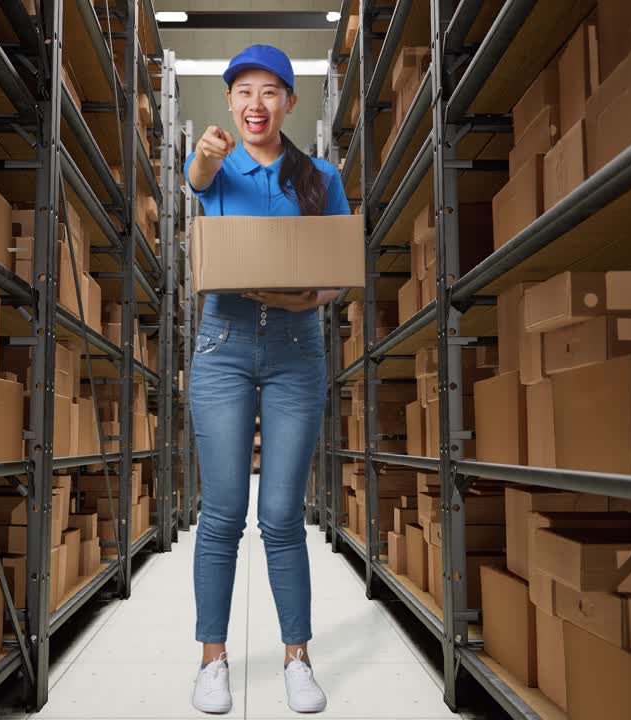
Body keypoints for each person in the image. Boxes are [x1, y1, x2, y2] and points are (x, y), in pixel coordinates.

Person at [183, 44, 349, 715]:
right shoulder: (216, 166)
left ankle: (297, 659)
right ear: (229, 102)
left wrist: (310, 300)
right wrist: (203, 154)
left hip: (295, 349)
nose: (257, 103)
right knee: (222, 513)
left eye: (271, 91)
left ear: (290, 102)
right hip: (222, 342)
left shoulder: (319, 177)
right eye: (244, 91)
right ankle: (212, 660)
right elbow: (194, 180)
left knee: (282, 516)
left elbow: (339, 267)